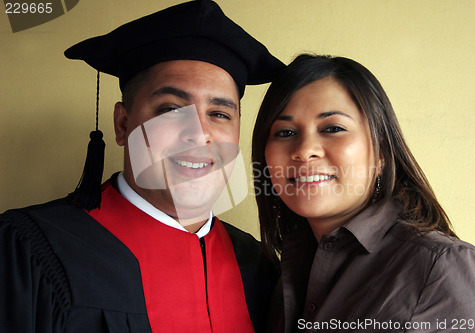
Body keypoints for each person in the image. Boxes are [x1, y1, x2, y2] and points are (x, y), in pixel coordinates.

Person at [0, 1, 284, 332]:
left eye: (219, 114)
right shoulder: (29, 253)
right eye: (170, 109)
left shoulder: (258, 266)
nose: (198, 133)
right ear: (122, 125)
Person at [252, 54, 475, 332]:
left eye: (333, 128)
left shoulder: (444, 270)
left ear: (381, 152)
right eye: (285, 132)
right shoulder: (282, 271)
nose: (304, 150)